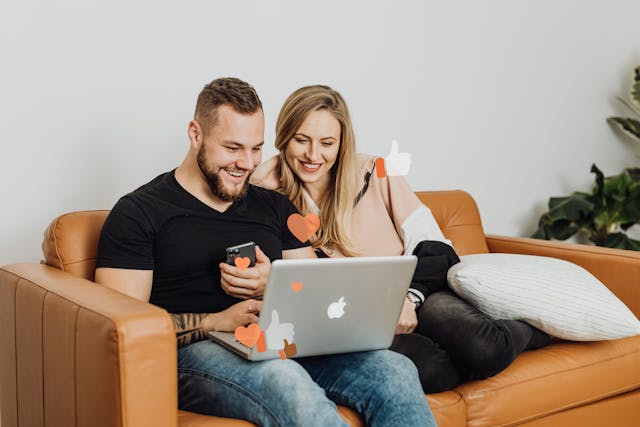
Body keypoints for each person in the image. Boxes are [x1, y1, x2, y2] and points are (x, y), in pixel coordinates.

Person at [94, 77, 437, 427]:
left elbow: (311, 294)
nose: (246, 163)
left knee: (394, 370)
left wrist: (271, 284)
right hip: (193, 354)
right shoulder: (140, 212)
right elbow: (117, 328)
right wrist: (214, 322)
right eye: (232, 148)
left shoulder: (276, 207)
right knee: (284, 381)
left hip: (278, 340)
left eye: (256, 148)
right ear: (196, 134)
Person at [251, 84, 551, 393]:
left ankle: (532, 330)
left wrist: (408, 299)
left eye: (327, 143)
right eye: (301, 140)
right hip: (356, 319)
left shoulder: (374, 171)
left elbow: (435, 246)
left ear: (342, 144)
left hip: (417, 294)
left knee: (484, 349)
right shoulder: (266, 191)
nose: (313, 155)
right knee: (432, 372)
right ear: (284, 137)